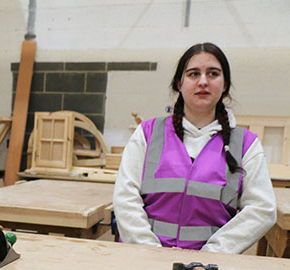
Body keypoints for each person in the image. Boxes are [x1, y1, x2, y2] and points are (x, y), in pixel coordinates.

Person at [113, 42, 276, 253]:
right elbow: (125, 196)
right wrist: (149, 251)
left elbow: (262, 208)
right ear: (179, 84)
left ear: (225, 84)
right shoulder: (147, 133)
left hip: (208, 268)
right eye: (193, 74)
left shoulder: (246, 145)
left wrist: (213, 254)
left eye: (213, 74)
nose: (203, 81)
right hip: (141, 259)